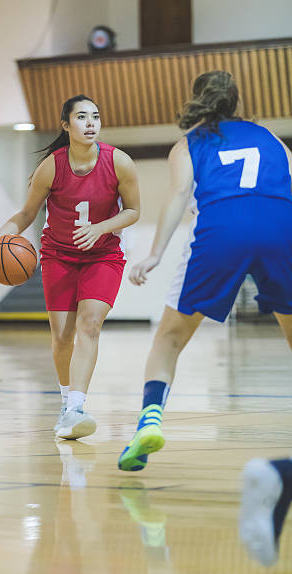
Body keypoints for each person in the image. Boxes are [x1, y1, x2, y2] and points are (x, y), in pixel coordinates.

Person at [118, 70, 292, 472]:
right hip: (281, 228)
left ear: (197, 100)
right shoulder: (271, 138)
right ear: (237, 101)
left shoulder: (188, 144)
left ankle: (149, 422)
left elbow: (179, 195)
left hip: (223, 230)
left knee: (169, 339)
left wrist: (155, 253)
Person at [0, 94, 140, 440]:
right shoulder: (52, 166)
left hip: (103, 254)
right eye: (82, 117)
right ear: (66, 125)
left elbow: (133, 211)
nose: (90, 123)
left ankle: (77, 407)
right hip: (59, 255)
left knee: (91, 324)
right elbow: (26, 214)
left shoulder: (120, 162)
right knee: (62, 336)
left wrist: (100, 227)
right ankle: (66, 400)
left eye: (95, 117)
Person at [239, 457, 292, 566]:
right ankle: (268, 551)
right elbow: (280, 511)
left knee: (253, 515)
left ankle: (265, 549)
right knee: (263, 516)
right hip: (271, 473)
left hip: (257, 467)